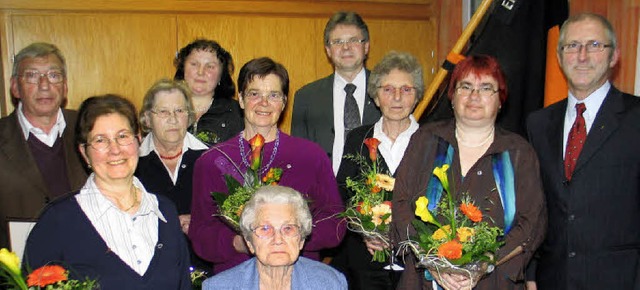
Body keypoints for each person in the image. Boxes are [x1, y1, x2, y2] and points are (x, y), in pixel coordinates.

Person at [392, 55, 546, 289]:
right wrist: (433, 262)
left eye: (486, 88)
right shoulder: (425, 140)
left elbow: (532, 222)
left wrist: (482, 265)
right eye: (466, 86)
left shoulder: (519, 152)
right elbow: (401, 204)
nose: (474, 96)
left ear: (500, 100)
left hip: (493, 281)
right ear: (453, 97)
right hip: (424, 280)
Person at [189, 57, 346, 274]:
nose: (264, 103)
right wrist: (239, 242)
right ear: (241, 100)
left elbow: (335, 224)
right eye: (254, 94)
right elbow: (200, 234)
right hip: (236, 276)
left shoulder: (311, 156)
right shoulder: (212, 161)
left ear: (283, 102)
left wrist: (292, 236)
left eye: (273, 95)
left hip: (300, 276)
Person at [24, 94, 191, 289]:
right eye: (100, 140)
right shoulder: (57, 222)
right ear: (84, 153)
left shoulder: (165, 211)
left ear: (138, 142)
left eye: (122, 136)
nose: (115, 150)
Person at [526, 13, 640, 290]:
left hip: (623, 279)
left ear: (614, 57)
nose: (582, 55)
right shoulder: (538, 124)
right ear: (559, 56)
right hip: (553, 279)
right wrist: (530, 274)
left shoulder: (636, 118)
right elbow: (535, 205)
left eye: (594, 45)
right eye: (572, 46)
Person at [332, 51, 423, 289]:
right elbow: (342, 195)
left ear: (416, 96)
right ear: (375, 96)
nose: (396, 97)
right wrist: (365, 232)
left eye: (406, 89)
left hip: (417, 264)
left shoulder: (432, 142)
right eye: (387, 89)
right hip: (364, 265)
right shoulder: (357, 138)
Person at [0, 42, 87, 249]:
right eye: (32, 76)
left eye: (54, 75)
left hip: (87, 262)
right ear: (15, 87)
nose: (45, 85)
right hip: (16, 272)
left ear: (65, 87)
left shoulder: (88, 127)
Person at [202, 185, 347, 290]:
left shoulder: (330, 283)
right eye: (265, 229)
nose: (278, 240)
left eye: (288, 228)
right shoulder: (219, 286)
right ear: (249, 242)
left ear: (302, 240)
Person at [134, 79, 210, 270]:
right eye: (164, 112)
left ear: (189, 116)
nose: (173, 119)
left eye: (179, 111)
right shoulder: (131, 164)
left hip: (204, 269)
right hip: (150, 270)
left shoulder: (210, 160)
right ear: (147, 118)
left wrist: (200, 222)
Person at [291, 11, 381, 174]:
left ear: (366, 46)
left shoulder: (386, 91)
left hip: (378, 193)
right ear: (328, 50)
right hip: (322, 193)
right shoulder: (306, 97)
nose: (346, 47)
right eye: (338, 41)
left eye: (353, 40)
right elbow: (299, 158)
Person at [174, 39, 243, 146]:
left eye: (210, 66)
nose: (201, 72)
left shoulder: (238, 114)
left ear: (221, 75)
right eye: (194, 64)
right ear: (183, 70)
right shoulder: (163, 109)